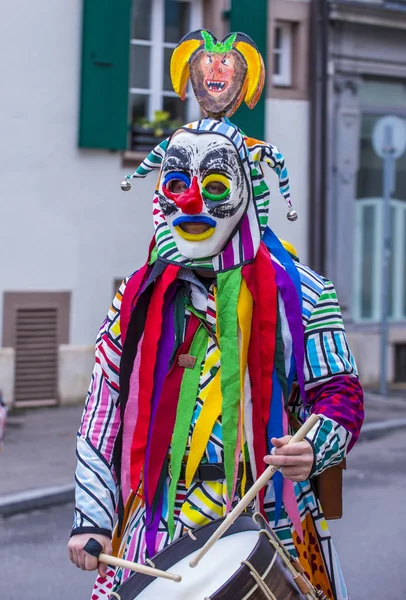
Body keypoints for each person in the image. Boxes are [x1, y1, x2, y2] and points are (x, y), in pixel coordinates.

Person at [68, 30, 364, 600]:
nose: (192, 203)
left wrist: (316, 446)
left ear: (249, 191)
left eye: (215, 183)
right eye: (177, 183)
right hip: (153, 524)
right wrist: (91, 514)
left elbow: (340, 395)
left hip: (267, 523)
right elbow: (102, 411)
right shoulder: (136, 298)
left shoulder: (301, 295)